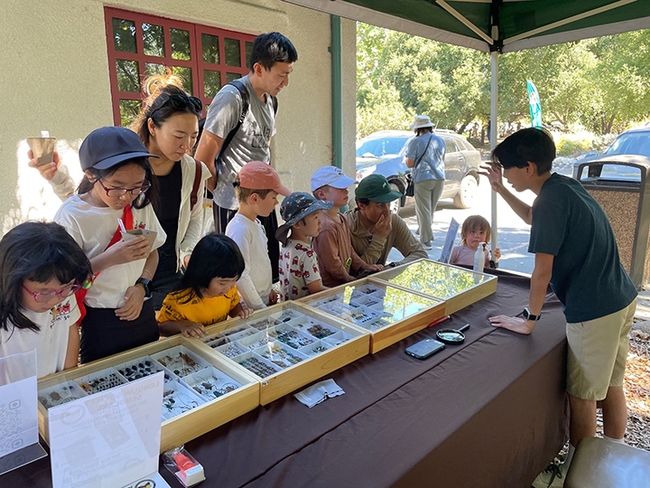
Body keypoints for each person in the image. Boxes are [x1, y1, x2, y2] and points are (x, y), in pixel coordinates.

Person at [480, 128, 637, 487]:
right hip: (620, 298)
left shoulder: (551, 199)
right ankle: (612, 460)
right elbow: (534, 220)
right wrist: (500, 189)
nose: (503, 173)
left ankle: (578, 476)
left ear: (529, 167)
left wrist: (528, 320)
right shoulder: (562, 188)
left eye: (507, 169)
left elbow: (542, 270)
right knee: (612, 384)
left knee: (581, 396)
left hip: (594, 309)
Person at [30, 73, 211, 309]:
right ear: (152, 127)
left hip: (165, 270)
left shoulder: (194, 171)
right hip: (118, 281)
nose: (187, 145)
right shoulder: (122, 158)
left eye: (194, 137)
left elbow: (196, 218)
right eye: (179, 136)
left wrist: (186, 254)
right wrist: (56, 178)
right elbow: (92, 205)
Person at [54, 126, 167, 363]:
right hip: (100, 320)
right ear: (90, 175)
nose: (127, 196)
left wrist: (142, 286)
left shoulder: (140, 204)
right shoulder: (72, 215)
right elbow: (67, 279)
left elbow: (153, 252)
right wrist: (111, 257)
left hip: (142, 309)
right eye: (116, 187)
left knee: (150, 378)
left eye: (137, 185)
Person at [194, 32, 298, 283]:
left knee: (268, 269)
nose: (285, 83)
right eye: (281, 74)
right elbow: (202, 158)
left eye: (288, 74)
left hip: (264, 201)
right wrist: (224, 188)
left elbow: (265, 149)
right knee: (236, 274)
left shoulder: (271, 102)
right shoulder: (232, 97)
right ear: (259, 68)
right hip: (234, 206)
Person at [0, 222, 92, 378]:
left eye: (67, 287)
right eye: (43, 292)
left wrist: (69, 378)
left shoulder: (63, 293)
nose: (54, 300)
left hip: (52, 388)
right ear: (12, 281)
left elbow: (70, 328)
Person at [157, 233, 250, 338]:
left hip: (218, 344)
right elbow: (161, 328)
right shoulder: (179, 300)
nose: (228, 287)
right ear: (203, 273)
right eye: (222, 283)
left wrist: (240, 313)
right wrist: (181, 326)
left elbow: (233, 307)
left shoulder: (229, 289)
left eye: (234, 280)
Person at [226, 161, 291, 310]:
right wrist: (260, 307)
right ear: (254, 198)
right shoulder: (240, 230)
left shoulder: (256, 224)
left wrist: (268, 291)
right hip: (248, 308)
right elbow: (241, 275)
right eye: (273, 197)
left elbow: (260, 262)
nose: (276, 202)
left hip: (261, 301)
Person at [311, 166, 383, 286]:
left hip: (341, 283)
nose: (346, 191)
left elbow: (349, 249)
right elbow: (332, 262)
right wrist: (348, 278)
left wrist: (363, 266)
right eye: (340, 188)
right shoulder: (326, 226)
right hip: (329, 288)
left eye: (345, 187)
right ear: (321, 194)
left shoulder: (341, 217)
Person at [347, 174, 428, 267]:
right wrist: (379, 238)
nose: (387, 210)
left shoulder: (393, 221)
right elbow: (356, 273)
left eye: (388, 203)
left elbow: (421, 256)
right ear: (362, 205)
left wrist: (392, 267)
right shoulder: (345, 227)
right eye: (380, 205)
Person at [275, 192, 331, 301]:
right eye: (315, 217)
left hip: (288, 308)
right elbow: (316, 289)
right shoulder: (306, 253)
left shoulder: (286, 245)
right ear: (297, 224)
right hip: (304, 311)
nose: (320, 222)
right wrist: (339, 293)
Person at [404, 115, 446, 250]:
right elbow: (442, 159)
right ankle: (422, 230)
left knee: (423, 209)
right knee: (431, 208)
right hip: (439, 177)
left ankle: (425, 240)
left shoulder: (415, 142)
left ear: (417, 129)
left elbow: (409, 163)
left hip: (423, 178)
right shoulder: (440, 140)